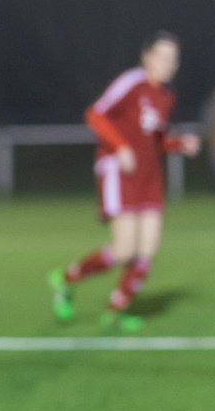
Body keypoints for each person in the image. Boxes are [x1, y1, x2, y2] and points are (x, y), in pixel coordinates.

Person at [47, 31, 200, 333]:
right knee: (123, 251)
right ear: (147, 57)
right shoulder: (132, 83)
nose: (169, 64)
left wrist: (179, 144)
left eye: (174, 59)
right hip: (118, 170)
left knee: (147, 250)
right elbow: (95, 114)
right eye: (163, 56)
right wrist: (121, 147)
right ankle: (65, 281)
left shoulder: (166, 96)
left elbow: (154, 140)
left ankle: (114, 310)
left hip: (148, 175)